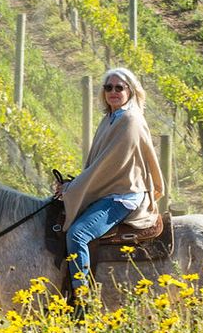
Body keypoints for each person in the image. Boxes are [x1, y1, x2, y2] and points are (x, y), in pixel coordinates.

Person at [57, 66, 165, 299]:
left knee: (77, 234)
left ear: (130, 91)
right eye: (108, 87)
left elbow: (107, 167)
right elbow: (99, 165)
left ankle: (82, 299)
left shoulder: (129, 120)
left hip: (122, 195)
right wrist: (75, 183)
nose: (113, 92)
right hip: (110, 189)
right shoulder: (110, 119)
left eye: (119, 87)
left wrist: (73, 189)